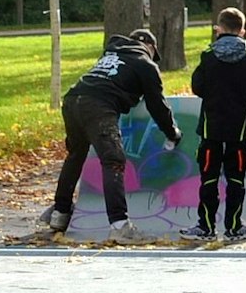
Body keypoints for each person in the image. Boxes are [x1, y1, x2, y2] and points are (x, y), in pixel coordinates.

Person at [42, 29, 182, 242]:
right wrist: (172, 132)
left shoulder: (110, 54)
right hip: (98, 106)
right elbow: (157, 104)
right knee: (114, 160)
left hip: (73, 99)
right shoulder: (146, 64)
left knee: (75, 155)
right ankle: (120, 225)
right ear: (151, 48)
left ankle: (60, 214)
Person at [182, 7, 246, 242]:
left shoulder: (208, 55)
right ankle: (234, 226)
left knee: (208, 178)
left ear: (218, 29)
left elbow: (198, 87)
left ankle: (206, 226)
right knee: (236, 179)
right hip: (237, 129)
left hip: (211, 129)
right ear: (243, 30)